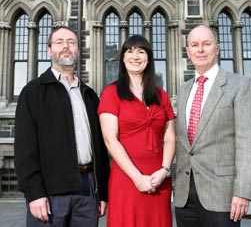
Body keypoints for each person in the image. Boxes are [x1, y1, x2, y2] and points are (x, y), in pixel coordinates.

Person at [15, 26, 110, 227]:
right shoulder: (33, 92)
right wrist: (34, 194)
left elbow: (100, 148)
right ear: (49, 50)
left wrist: (103, 192)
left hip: (87, 191)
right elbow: (24, 149)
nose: (66, 47)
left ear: (77, 49)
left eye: (71, 42)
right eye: (59, 42)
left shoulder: (90, 95)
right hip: (50, 195)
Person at [175, 25, 251, 227]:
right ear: (188, 51)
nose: (200, 49)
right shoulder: (184, 90)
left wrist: (242, 192)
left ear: (217, 48)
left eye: (206, 44)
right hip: (185, 197)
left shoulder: (240, 85)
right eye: (194, 45)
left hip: (223, 197)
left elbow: (248, 143)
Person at [98, 35, 176, 227]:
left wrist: (165, 170)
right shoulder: (111, 93)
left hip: (159, 180)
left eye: (141, 51)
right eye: (130, 51)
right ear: (123, 58)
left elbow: (170, 137)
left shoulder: (161, 95)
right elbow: (110, 140)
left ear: (148, 59)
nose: (135, 56)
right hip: (127, 179)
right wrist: (137, 178)